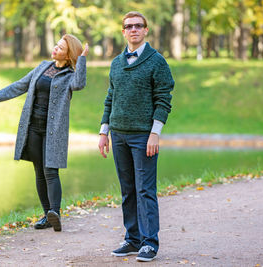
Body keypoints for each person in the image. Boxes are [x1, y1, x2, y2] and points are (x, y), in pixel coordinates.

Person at [0, 34, 88, 232]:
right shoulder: (42, 67)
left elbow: (79, 84)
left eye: (60, 47)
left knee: (50, 170)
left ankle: (55, 213)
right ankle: (47, 215)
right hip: (33, 127)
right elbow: (19, 86)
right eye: (56, 45)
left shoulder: (70, 75)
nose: (55, 48)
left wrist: (82, 60)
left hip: (53, 131)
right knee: (39, 171)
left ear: (68, 54)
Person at [98, 11, 174, 262]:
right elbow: (110, 98)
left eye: (138, 26)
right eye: (128, 26)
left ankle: (150, 243)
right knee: (127, 191)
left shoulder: (157, 61)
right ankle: (132, 239)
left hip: (143, 136)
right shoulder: (116, 63)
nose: (133, 30)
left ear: (146, 30)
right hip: (118, 135)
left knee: (145, 191)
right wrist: (103, 131)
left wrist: (155, 133)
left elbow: (163, 99)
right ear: (123, 31)